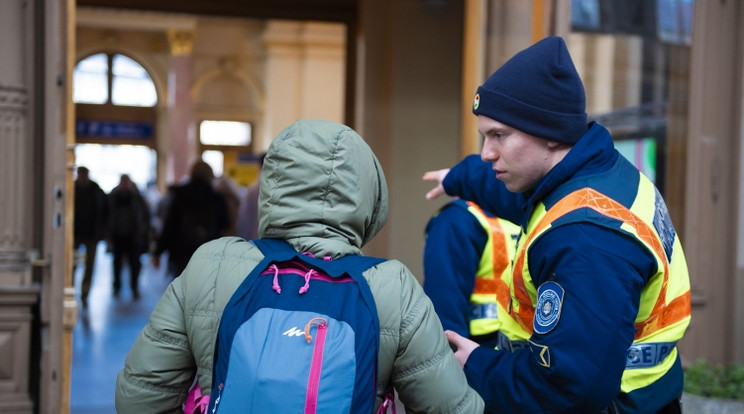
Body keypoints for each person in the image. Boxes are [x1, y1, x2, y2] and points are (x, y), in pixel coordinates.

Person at [115, 119, 484, 413]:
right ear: (369, 197)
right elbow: (452, 407)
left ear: (273, 182)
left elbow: (140, 396)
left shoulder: (213, 263)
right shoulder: (391, 286)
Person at [423, 36, 691, 413]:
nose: (487, 153)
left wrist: (478, 365)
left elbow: (569, 389)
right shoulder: (593, 174)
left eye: (499, 135)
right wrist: (459, 177)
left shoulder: (587, 239)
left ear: (550, 132)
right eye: (485, 137)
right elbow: (520, 195)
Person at [423, 198, 520, 349]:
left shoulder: (526, 211)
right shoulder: (456, 219)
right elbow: (445, 300)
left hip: (523, 347)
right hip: (480, 348)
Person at [151, 160, 230, 278]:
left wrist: (158, 252)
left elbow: (170, 225)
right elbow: (225, 226)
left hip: (182, 252)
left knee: (182, 290)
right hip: (209, 253)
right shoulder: (216, 198)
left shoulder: (181, 195)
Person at [107, 174, 150, 299]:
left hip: (133, 237)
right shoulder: (113, 197)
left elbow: (145, 216)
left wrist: (143, 232)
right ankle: (117, 287)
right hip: (118, 236)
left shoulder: (137, 198)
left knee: (135, 263)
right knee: (117, 263)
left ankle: (134, 286)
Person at [73, 166, 107, 309]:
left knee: (90, 266)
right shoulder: (72, 188)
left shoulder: (96, 190)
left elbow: (104, 210)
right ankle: (69, 290)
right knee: (72, 263)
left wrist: (102, 231)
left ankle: (85, 293)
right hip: (76, 234)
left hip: (91, 235)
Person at [235, 152, 266, 241]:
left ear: (259, 167)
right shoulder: (281, 190)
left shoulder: (252, 192)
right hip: (274, 246)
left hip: (254, 241)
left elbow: (243, 221)